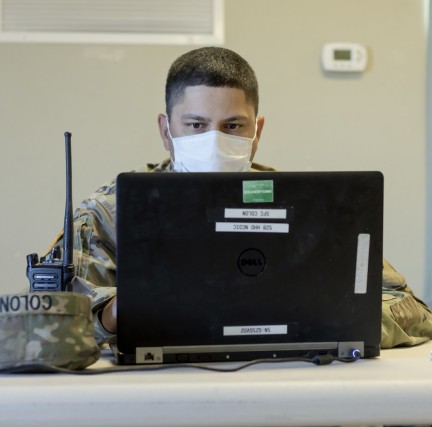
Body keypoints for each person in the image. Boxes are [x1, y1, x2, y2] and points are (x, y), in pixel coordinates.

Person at [48, 46, 432, 348]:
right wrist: (116, 314)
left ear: (256, 131)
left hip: (281, 390)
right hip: (156, 394)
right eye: (195, 125)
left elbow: (414, 312)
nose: (214, 140)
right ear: (166, 131)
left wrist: (328, 314)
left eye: (232, 126)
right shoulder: (111, 212)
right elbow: (52, 330)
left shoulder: (305, 206)